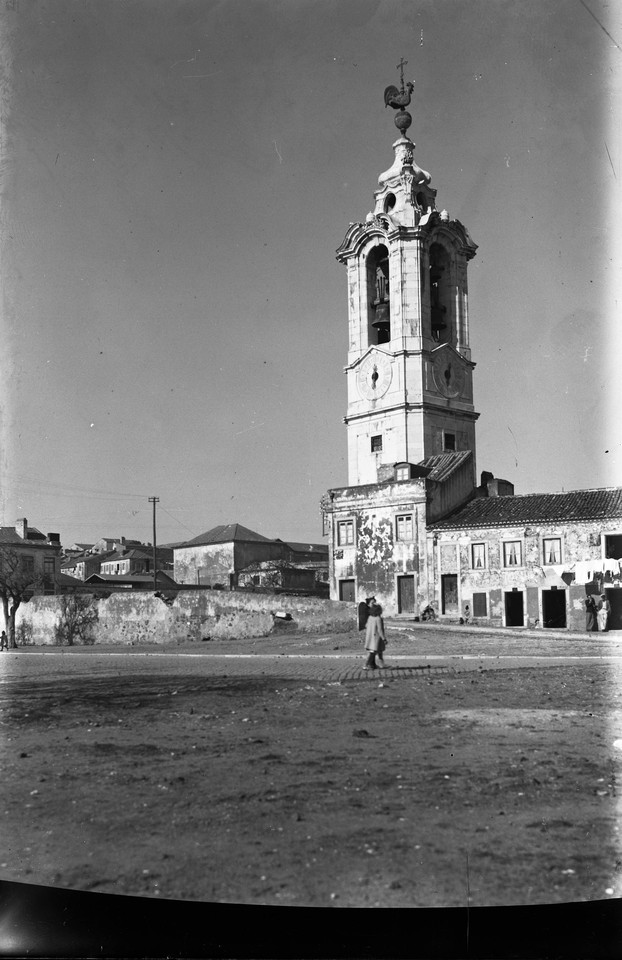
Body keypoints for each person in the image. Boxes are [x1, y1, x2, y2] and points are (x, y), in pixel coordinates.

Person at [364, 602, 387, 670]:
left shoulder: (370, 618)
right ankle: (365, 665)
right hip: (376, 638)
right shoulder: (378, 619)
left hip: (370, 637)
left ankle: (382, 665)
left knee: (379, 652)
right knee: (372, 652)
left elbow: (366, 626)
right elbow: (380, 630)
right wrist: (384, 638)